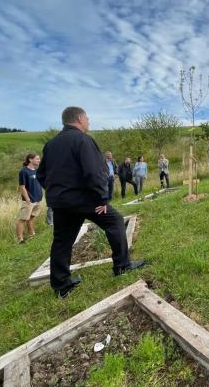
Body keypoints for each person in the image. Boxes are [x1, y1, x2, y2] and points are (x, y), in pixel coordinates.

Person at [37, 106, 144, 298]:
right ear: (78, 118)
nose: (89, 120)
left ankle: (62, 286)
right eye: (87, 117)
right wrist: (102, 198)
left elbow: (41, 175)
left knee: (62, 242)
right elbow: (95, 172)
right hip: (84, 199)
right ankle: (122, 265)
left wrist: (58, 192)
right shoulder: (83, 140)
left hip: (60, 202)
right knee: (115, 221)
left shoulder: (51, 144)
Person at [16, 153, 43, 243]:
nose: (39, 160)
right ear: (30, 160)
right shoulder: (24, 171)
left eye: (39, 159)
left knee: (31, 218)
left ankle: (31, 234)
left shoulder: (36, 170)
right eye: (37, 159)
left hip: (38, 199)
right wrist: (27, 199)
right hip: (29, 200)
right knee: (22, 219)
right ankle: (20, 239)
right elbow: (22, 187)